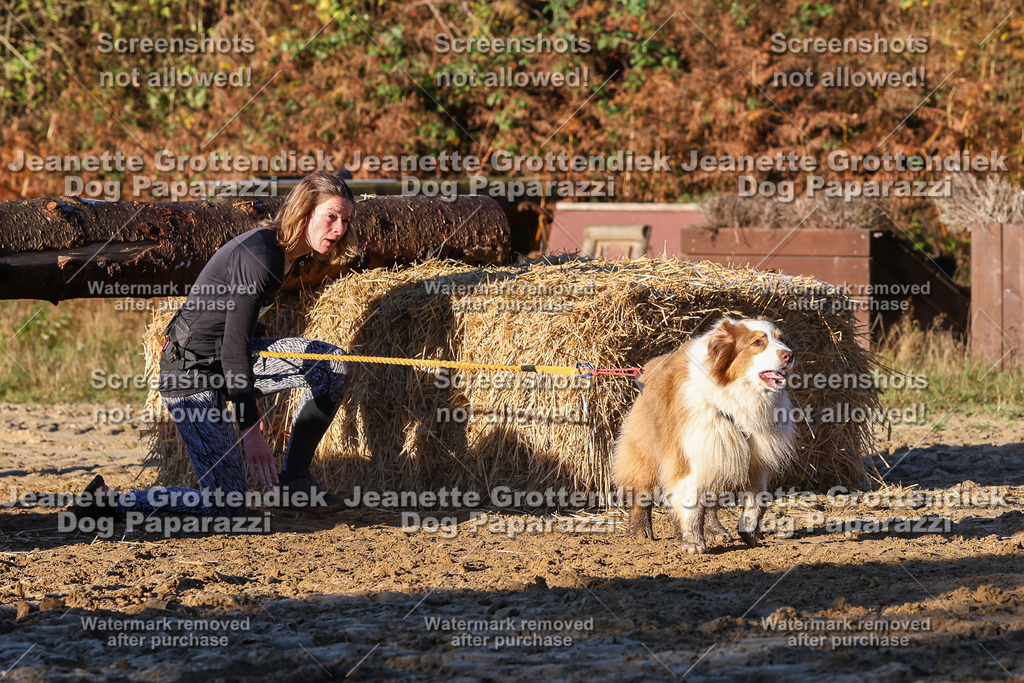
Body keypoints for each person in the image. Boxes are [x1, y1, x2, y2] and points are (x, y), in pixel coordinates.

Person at [73, 172, 356, 522]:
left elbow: (240, 329)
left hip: (225, 363)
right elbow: (233, 350)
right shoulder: (261, 256)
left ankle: (294, 483)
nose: (340, 229)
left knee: (330, 365)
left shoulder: (286, 253)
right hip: (191, 375)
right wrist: (250, 426)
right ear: (304, 212)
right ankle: (110, 504)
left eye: (346, 220)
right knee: (225, 509)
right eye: (332, 216)